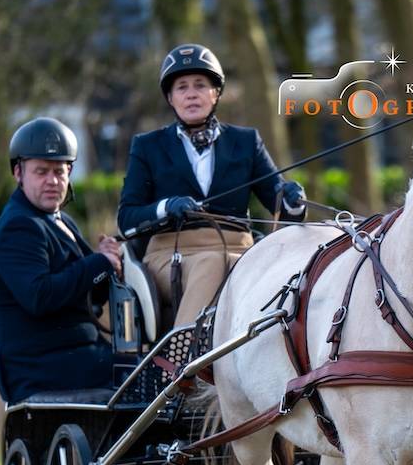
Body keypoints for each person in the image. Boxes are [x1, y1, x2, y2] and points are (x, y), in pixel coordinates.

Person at [117, 43, 305, 326]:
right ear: (170, 97)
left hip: (239, 252)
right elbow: (126, 218)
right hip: (171, 257)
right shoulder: (147, 146)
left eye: (200, 85)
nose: (191, 93)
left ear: (215, 92)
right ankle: (182, 356)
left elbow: (279, 203)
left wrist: (293, 198)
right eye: (181, 87)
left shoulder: (245, 142)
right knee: (212, 262)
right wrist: (166, 207)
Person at [0, 117, 122, 404]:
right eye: (41, 172)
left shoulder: (61, 221)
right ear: (18, 173)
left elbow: (85, 292)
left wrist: (109, 265)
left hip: (76, 353)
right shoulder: (19, 227)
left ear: (70, 172)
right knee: (150, 377)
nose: (52, 181)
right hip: (39, 365)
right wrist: (97, 264)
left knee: (158, 369)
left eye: (59, 171)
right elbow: (40, 296)